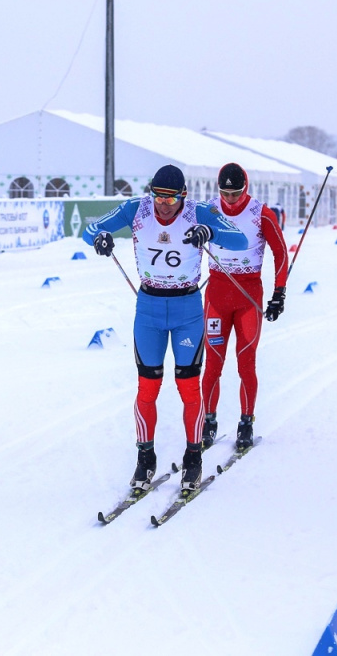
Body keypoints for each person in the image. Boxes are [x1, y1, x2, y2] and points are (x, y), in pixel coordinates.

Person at [83, 164, 247, 494]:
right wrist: (98, 238)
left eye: (171, 198)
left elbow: (240, 240)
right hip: (149, 310)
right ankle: (145, 458)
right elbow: (90, 229)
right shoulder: (136, 208)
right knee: (147, 388)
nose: (163, 204)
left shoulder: (199, 212)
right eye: (158, 196)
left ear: (182, 196)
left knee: (188, 388)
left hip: (187, 309)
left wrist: (210, 233)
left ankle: (193, 457)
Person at [200, 163, 289, 451]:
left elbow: (281, 252)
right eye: (225, 193)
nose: (230, 199)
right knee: (213, 363)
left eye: (236, 193)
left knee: (245, 363)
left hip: (248, 297)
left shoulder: (261, 213)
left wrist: (279, 293)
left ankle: (246, 421)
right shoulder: (208, 210)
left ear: (245, 188)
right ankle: (209, 422)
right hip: (216, 295)